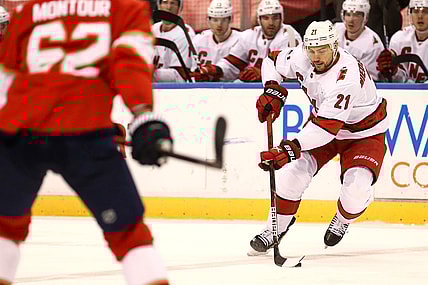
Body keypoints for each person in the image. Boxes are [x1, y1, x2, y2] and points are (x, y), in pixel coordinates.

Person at [0, 0, 172, 284]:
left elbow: (7, 79)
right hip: (85, 133)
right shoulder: (125, 7)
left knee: (4, 228)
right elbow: (130, 62)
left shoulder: (29, 9)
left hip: (21, 132)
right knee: (129, 235)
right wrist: (143, 117)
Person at [248, 20, 388, 255]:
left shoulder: (346, 76)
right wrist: (271, 88)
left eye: (321, 49)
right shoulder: (302, 56)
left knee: (355, 191)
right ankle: (276, 227)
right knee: (292, 174)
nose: (315, 56)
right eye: (311, 49)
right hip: (324, 124)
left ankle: (343, 219)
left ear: (334, 46)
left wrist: (288, 149)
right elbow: (271, 60)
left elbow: (326, 130)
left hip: (363, 134)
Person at [194, 0, 302, 82]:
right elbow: (232, 63)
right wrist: (216, 70)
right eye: (266, 18)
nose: (270, 23)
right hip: (253, 87)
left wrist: (263, 73)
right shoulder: (249, 35)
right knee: (236, 84)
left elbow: (292, 70)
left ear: (281, 18)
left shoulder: (290, 35)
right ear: (259, 20)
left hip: (282, 87)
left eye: (275, 18)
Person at [376, 0, 428, 82]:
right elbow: (398, 81)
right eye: (415, 11)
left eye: (425, 11)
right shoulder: (399, 39)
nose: (420, 16)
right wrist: (393, 72)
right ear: (410, 13)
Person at [191, 0, 241, 81]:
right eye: (215, 20)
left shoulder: (240, 40)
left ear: (230, 19)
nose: (219, 24)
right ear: (208, 20)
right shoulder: (198, 40)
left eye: (224, 20)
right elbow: (192, 71)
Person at [335, 0, 385, 80]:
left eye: (356, 15)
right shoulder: (334, 31)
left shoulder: (373, 44)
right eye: (348, 14)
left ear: (365, 17)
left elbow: (369, 79)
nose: (351, 20)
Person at [152, 0, 196, 82]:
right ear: (159, 5)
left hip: (175, 89)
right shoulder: (153, 29)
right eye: (165, 2)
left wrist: (153, 73)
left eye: (173, 3)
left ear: (179, 8)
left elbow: (181, 76)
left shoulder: (185, 34)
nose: (169, 7)